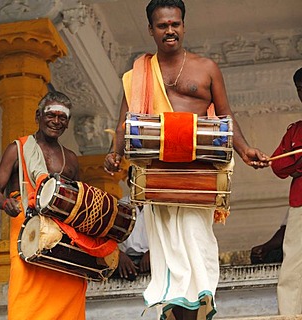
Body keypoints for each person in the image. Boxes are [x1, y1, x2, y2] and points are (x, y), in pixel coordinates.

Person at [103, 1, 269, 319]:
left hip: (198, 175)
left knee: (196, 245)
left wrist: (245, 149)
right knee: (169, 257)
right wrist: (115, 153)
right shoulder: (136, 73)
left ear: (183, 26)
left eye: (175, 24)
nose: (170, 30)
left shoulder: (206, 68)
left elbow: (224, 116)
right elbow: (126, 121)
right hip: (157, 176)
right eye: (162, 25)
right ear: (151, 29)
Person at [0, 91, 87, 320]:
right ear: (38, 116)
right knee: (27, 303)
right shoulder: (18, 149)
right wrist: (5, 203)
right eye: (51, 115)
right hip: (27, 233)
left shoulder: (71, 159)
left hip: (61, 236)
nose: (56, 121)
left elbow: (80, 200)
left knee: (68, 294)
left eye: (62, 118)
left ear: (68, 123)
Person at [271, 67, 302, 315]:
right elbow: (278, 165)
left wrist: (296, 167)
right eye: (300, 90)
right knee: (293, 264)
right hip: (300, 203)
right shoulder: (295, 130)